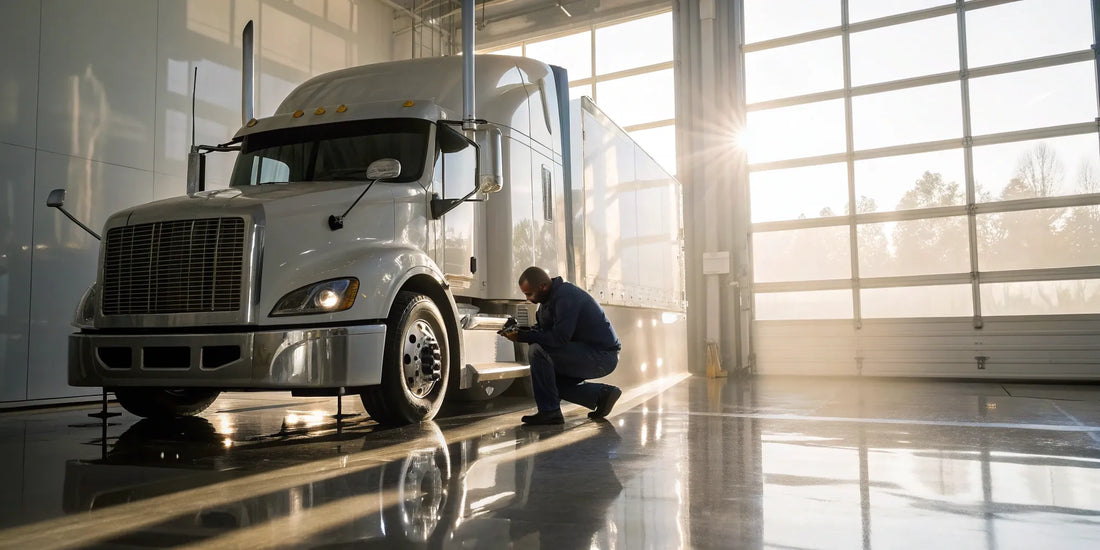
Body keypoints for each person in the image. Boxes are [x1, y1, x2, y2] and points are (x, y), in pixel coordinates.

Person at [500, 267, 622, 425]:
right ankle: (601, 395)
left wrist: (524, 336)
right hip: (586, 353)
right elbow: (542, 331)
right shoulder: (546, 303)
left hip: (602, 356)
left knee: (538, 350)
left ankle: (549, 412)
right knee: (548, 382)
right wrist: (518, 330)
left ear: (542, 286)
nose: (527, 298)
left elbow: (559, 338)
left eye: (529, 294)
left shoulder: (567, 296)